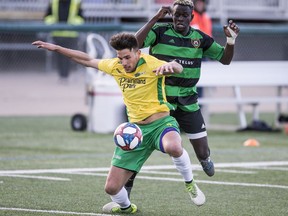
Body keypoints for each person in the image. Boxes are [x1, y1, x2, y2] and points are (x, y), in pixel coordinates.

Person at [32, 32, 206, 214]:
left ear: (137, 52)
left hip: (161, 124)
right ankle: (126, 207)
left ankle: (190, 184)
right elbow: (87, 60)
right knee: (111, 188)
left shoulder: (151, 63)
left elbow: (177, 68)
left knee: (174, 147)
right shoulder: (115, 66)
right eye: (120, 58)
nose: (124, 63)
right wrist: (57, 48)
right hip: (134, 132)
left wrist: (171, 65)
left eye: (127, 57)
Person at [123, 0, 240, 197]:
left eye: (184, 15)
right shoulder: (160, 31)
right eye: (177, 15)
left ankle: (204, 159)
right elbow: (134, 45)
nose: (180, 19)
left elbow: (225, 60)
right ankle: (127, 183)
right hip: (159, 104)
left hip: (188, 102)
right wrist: (155, 18)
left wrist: (231, 41)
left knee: (203, 153)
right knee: (139, 145)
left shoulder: (200, 39)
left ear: (191, 17)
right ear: (172, 15)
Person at [44, 0, 84, 81]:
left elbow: (81, 18)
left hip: (71, 34)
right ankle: (61, 75)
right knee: (59, 55)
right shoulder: (53, 2)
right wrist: (53, 23)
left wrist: (73, 24)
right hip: (57, 34)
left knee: (69, 55)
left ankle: (66, 75)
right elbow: (47, 17)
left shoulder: (76, 2)